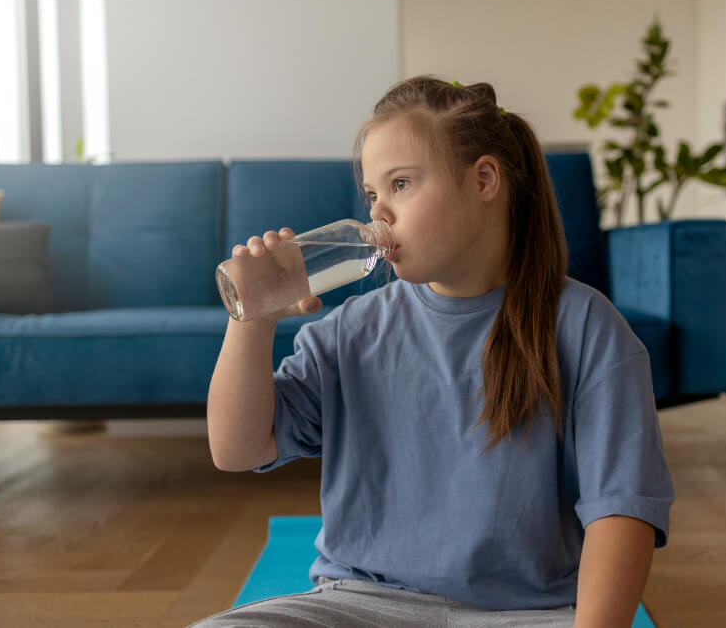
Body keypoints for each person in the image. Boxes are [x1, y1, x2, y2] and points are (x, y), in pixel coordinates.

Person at [195, 75, 674, 628]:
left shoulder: (587, 327)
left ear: (484, 180)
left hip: (525, 614)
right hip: (356, 606)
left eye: (401, 184)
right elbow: (237, 448)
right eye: (372, 195)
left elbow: (622, 512)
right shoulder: (351, 329)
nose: (379, 216)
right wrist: (250, 321)